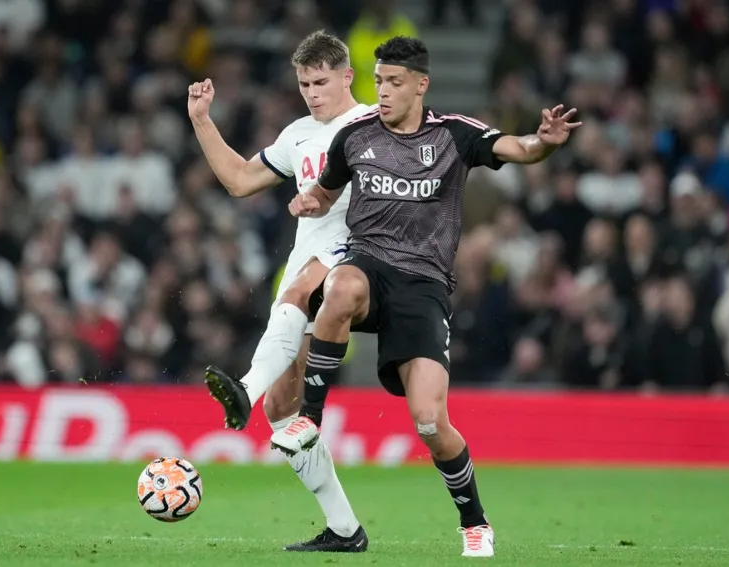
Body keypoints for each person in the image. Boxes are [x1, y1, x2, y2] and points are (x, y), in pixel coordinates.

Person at [271, 36, 582, 558]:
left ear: (421, 84)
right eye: (379, 82)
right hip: (368, 267)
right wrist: (308, 200)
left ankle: (475, 522)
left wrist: (544, 142)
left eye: (394, 83)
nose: (383, 93)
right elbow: (325, 190)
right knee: (340, 285)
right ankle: (309, 419)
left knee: (430, 422)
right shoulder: (355, 136)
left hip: (423, 287)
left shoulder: (454, 135)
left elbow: (518, 148)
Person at [187, 31, 371, 552]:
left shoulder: (371, 126)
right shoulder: (297, 135)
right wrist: (202, 121)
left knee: (295, 296)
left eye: (321, 81)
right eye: (304, 83)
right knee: (283, 410)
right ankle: (344, 530)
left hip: (354, 255)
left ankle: (243, 390)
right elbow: (241, 181)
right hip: (306, 256)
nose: (313, 93)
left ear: (346, 76)